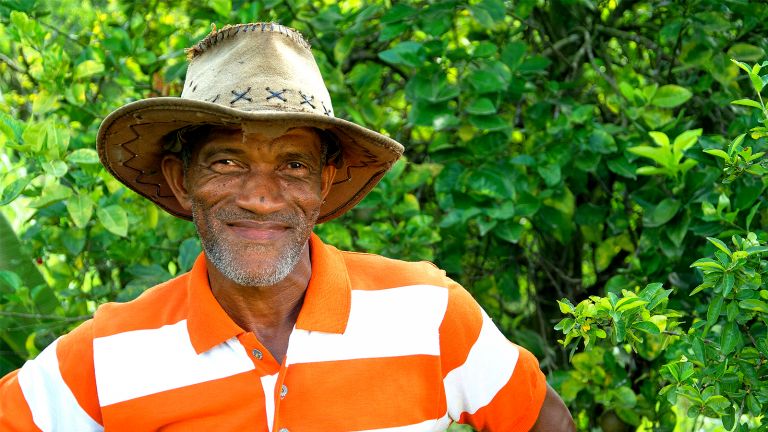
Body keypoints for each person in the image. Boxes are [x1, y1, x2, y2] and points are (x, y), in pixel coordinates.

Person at [0, 22, 574, 431]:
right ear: (181, 181)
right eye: (226, 161)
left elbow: (543, 420)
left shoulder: (429, 312)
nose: (261, 197)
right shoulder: (107, 354)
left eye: (293, 164)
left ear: (324, 182)